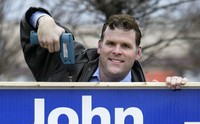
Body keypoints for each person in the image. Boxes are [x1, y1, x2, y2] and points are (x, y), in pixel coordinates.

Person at [20, 7, 187, 89]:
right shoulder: (66, 64)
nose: (117, 51)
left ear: (138, 53)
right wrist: (43, 19)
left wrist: (177, 92)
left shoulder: (149, 95)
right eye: (111, 43)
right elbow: (29, 27)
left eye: (126, 46)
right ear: (99, 46)